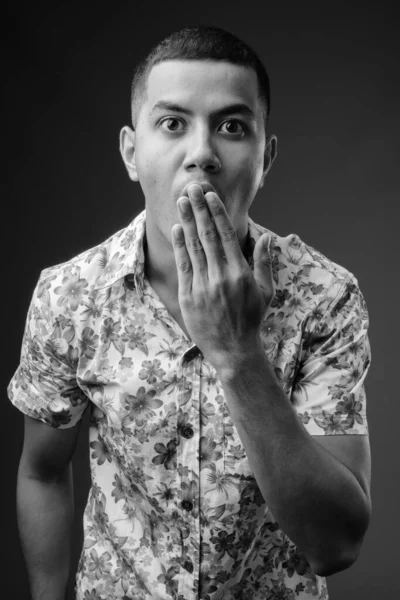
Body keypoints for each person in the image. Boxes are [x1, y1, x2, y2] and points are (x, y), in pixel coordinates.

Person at [8, 24, 372, 600]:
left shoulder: (326, 297)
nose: (201, 153)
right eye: (173, 123)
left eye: (232, 127)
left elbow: (336, 545)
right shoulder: (68, 295)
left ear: (265, 156)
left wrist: (238, 353)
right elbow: (43, 471)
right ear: (132, 152)